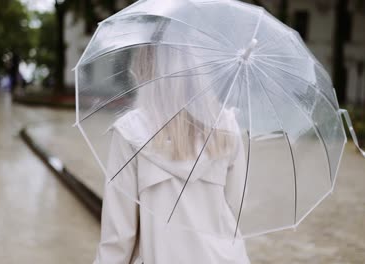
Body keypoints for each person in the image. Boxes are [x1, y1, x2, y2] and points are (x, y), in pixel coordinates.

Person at [92, 44, 251, 264]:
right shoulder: (227, 126)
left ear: (145, 69)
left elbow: (118, 236)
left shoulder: (131, 131)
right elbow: (235, 205)